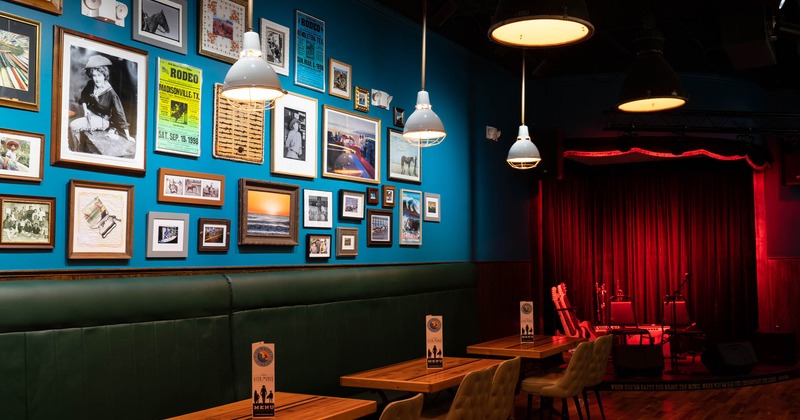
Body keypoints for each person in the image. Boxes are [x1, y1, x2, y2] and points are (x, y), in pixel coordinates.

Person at [69, 55, 134, 152]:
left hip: (103, 120)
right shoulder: (91, 84)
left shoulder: (111, 93)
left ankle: (75, 151)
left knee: (73, 125)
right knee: (78, 129)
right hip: (91, 115)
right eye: (94, 75)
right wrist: (86, 110)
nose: (96, 79)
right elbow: (84, 95)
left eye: (99, 75)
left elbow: (120, 113)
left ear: (104, 75)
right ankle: (79, 150)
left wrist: (128, 136)